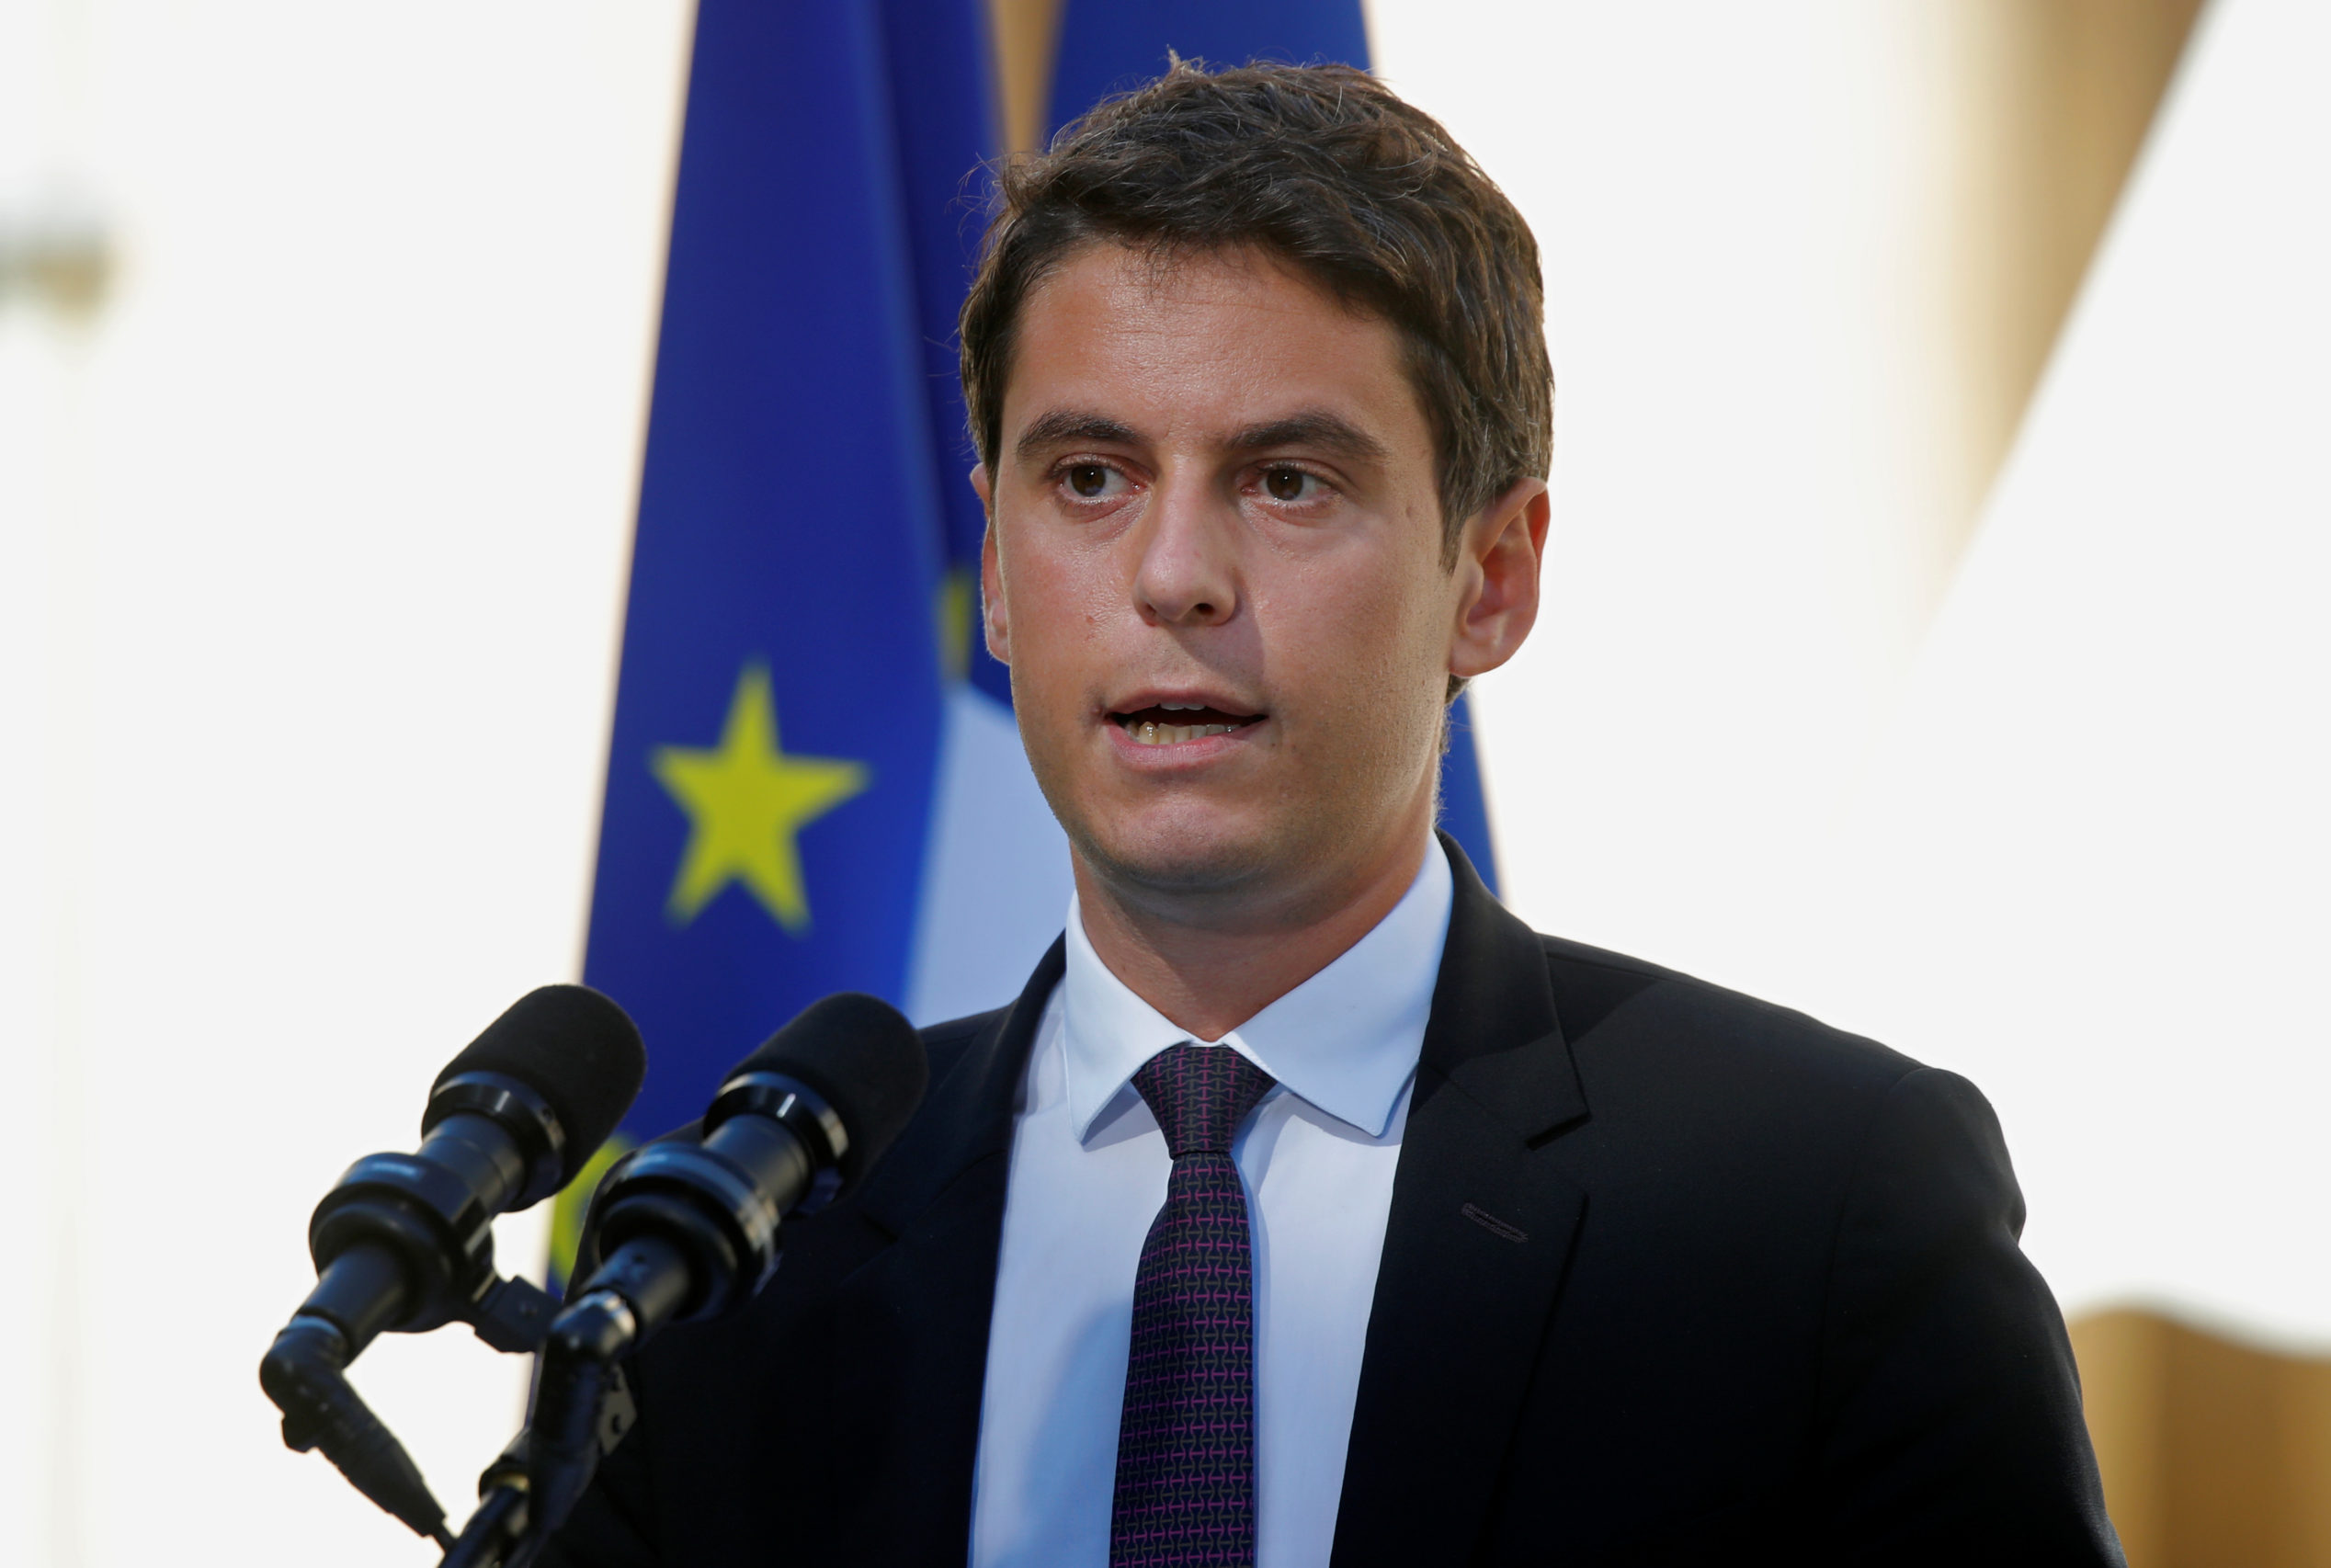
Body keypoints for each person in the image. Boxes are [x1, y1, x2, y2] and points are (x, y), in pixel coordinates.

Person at [547, 62, 2121, 1567]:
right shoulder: (727, 1248)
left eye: (1286, 480)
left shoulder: (1816, 1208)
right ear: (1002, 573)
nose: (1174, 576)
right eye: (1089, 477)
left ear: (1491, 577)